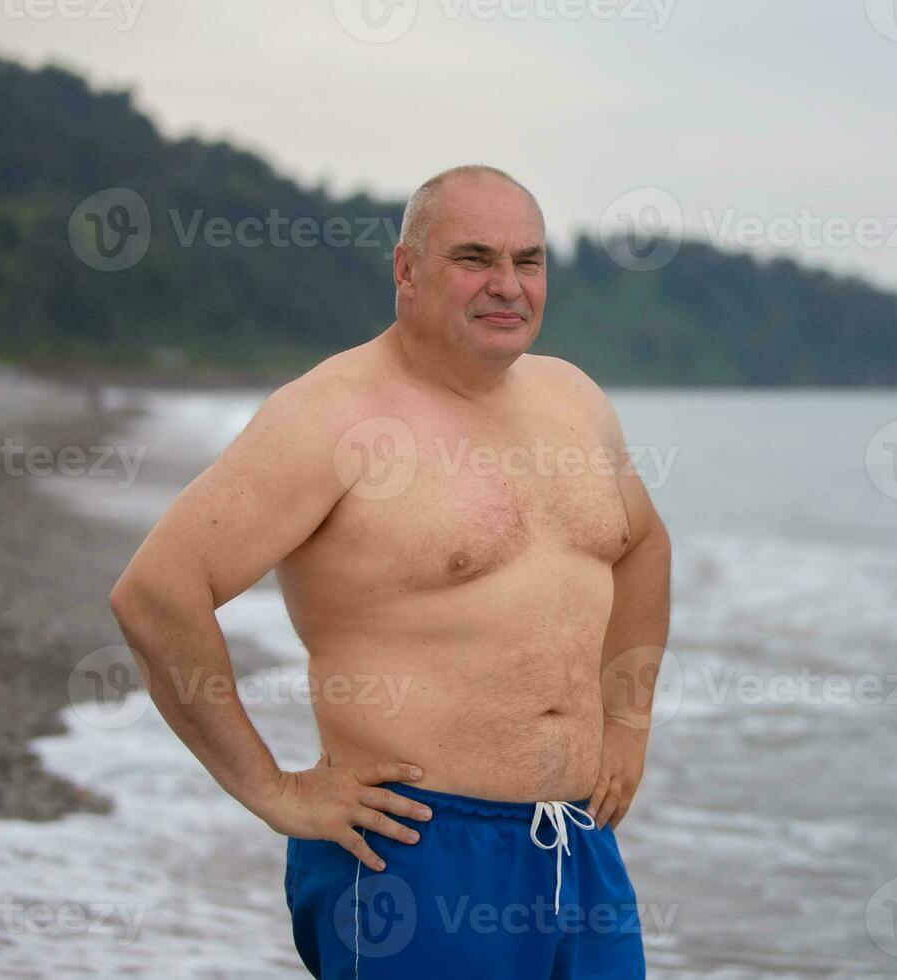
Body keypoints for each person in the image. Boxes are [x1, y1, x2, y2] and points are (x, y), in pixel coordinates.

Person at [109, 165, 672, 977]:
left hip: (575, 848)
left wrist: (626, 725)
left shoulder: (573, 399)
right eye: (474, 258)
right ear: (407, 270)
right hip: (411, 853)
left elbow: (644, 545)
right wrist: (273, 791)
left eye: (529, 260)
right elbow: (156, 594)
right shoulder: (335, 414)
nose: (507, 286)